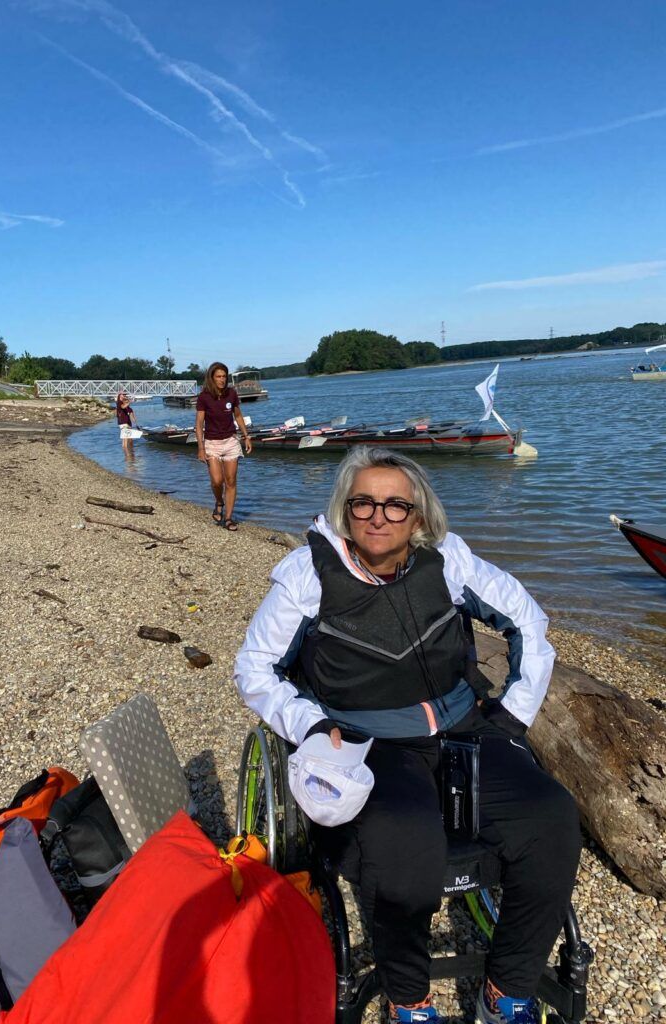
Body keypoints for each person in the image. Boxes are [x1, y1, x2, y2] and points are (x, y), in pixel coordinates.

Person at [234, 447, 580, 1024]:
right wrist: (312, 725)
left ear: (418, 517)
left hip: (464, 731)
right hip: (366, 744)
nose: (378, 516)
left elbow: (528, 622)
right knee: (405, 841)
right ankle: (409, 999)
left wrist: (514, 718)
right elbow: (255, 669)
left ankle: (507, 990)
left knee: (552, 817)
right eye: (364, 502)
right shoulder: (306, 576)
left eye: (396, 505)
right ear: (346, 510)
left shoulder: (448, 560)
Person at [195, 362, 252, 531]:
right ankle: (219, 501)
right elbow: (199, 424)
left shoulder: (231, 394)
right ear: (212, 378)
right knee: (217, 480)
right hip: (212, 443)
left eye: (224, 376)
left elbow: (239, 416)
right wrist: (200, 448)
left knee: (231, 481)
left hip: (230, 441)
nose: (222, 379)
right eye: (218, 376)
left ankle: (228, 518)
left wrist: (246, 436)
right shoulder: (204, 397)